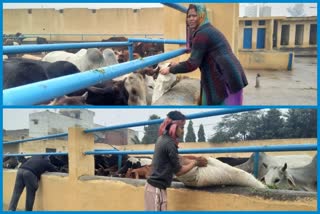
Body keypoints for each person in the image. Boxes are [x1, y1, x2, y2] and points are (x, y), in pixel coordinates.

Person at [160, 3, 248, 105]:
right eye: (189, 16)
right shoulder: (207, 29)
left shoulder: (202, 34)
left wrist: (170, 69)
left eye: (194, 15)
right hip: (230, 75)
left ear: (202, 15)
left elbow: (192, 64)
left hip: (224, 80)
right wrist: (178, 65)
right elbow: (198, 58)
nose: (191, 19)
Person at [144, 111, 207, 211]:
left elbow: (178, 158)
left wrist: (194, 159)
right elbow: (179, 171)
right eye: (182, 127)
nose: (183, 131)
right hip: (156, 189)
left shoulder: (162, 139)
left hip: (157, 188)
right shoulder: (170, 143)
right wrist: (195, 163)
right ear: (173, 127)